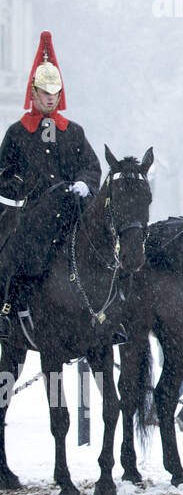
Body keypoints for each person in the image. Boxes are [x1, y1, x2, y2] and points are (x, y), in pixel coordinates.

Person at [0, 31, 103, 340]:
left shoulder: (73, 132)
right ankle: (6, 310)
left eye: (55, 92)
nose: (50, 98)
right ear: (33, 93)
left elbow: (91, 166)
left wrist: (85, 184)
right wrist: (22, 185)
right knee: (11, 254)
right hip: (31, 216)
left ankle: (112, 315)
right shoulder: (17, 133)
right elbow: (3, 173)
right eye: (45, 92)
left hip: (70, 214)